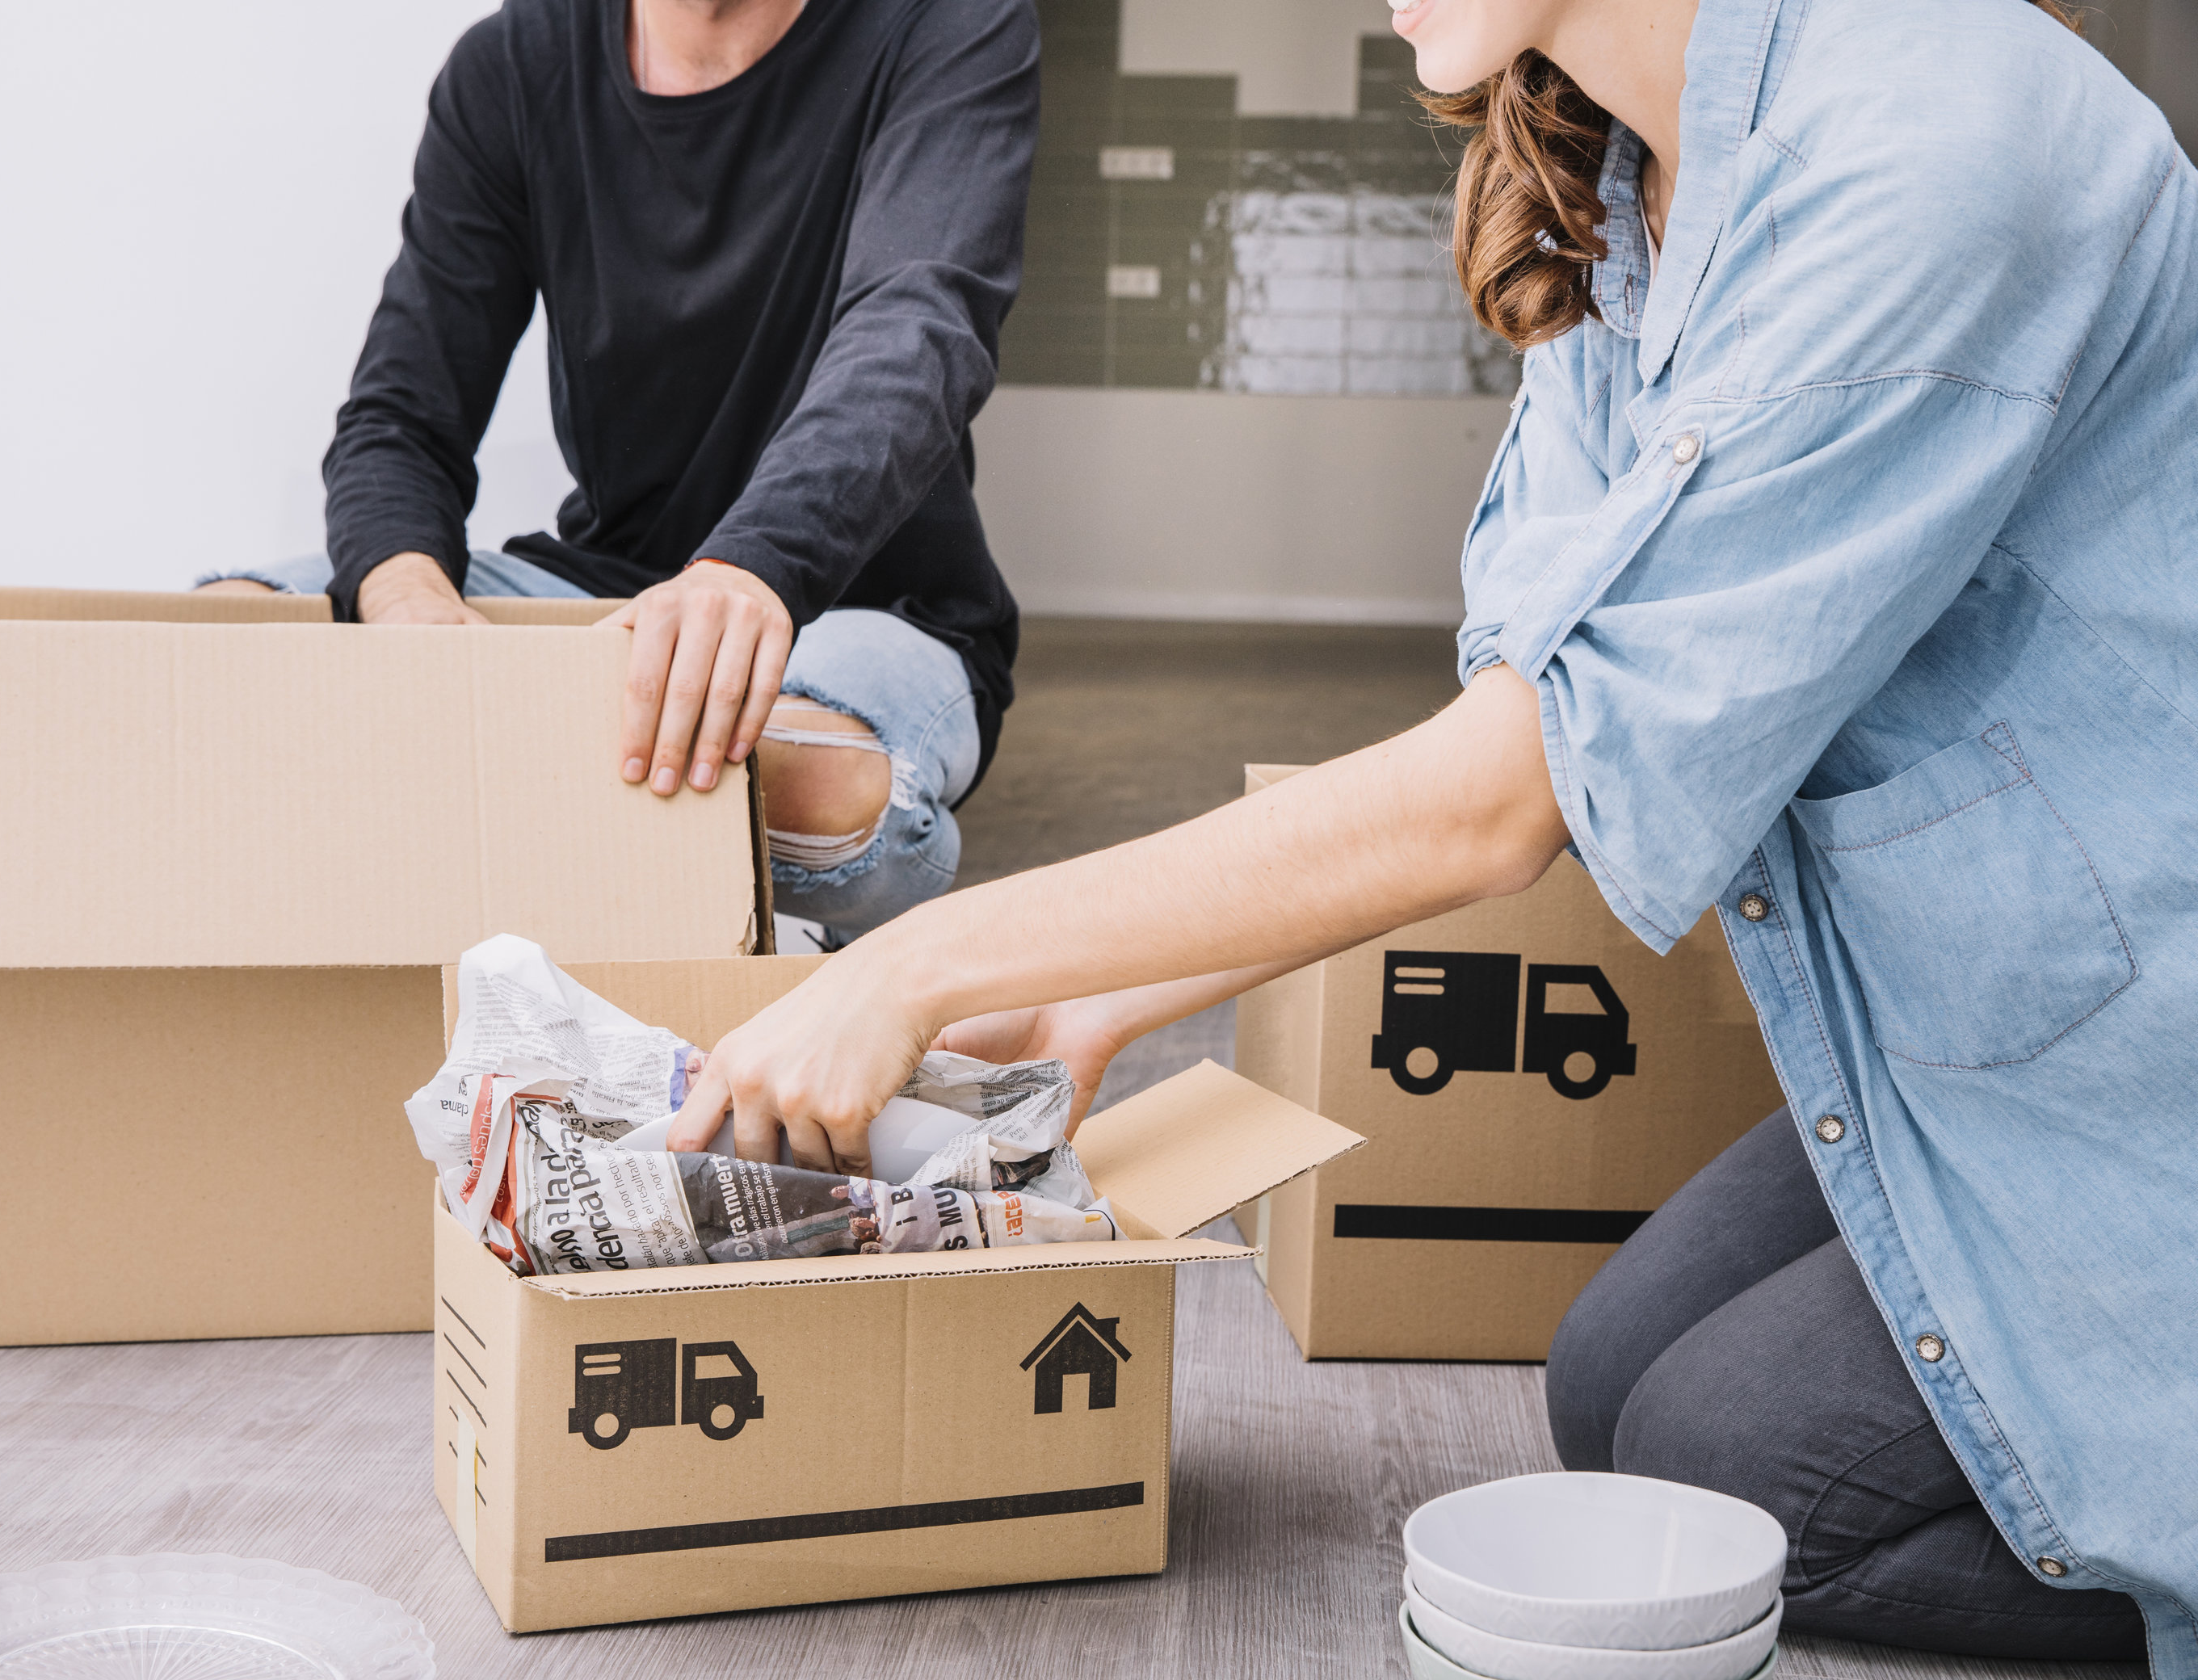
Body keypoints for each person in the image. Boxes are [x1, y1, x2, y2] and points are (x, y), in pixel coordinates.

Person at [662, 0, 2198, 1663]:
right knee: (1617, 1383)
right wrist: (1105, 994)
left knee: (1721, 1466)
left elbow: (1505, 795)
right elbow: (1520, 726)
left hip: (2142, 1069)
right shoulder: (1633, 172)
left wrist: (924, 959)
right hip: (1965, 1024)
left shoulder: (1930, 151)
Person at [202, 0, 1037, 942]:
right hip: (601, 584)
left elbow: (915, 333)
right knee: (225, 643)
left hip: (861, 605)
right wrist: (407, 609)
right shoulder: (512, 67)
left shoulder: (947, 26)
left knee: (814, 791)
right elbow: (400, 411)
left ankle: (508, 843)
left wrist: (750, 568)